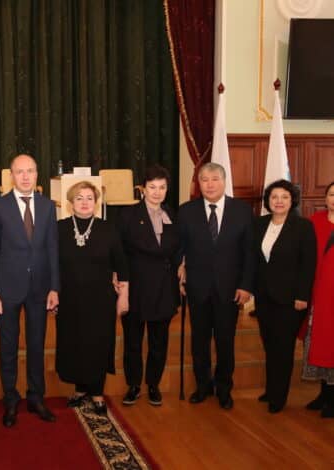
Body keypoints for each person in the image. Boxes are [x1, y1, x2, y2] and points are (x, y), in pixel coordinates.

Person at [0, 154, 60, 427]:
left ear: (37, 174)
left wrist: (54, 287)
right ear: (11, 176)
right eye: (20, 172)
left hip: (40, 289)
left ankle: (36, 398)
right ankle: (10, 400)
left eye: (30, 171)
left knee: (37, 345)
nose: (25, 176)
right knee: (8, 347)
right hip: (7, 291)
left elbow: (52, 249)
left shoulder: (48, 206)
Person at [178, 162, 255, 410]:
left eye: (214, 179)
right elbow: (179, 248)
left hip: (230, 290)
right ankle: (202, 386)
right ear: (198, 184)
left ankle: (224, 388)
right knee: (199, 341)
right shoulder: (186, 211)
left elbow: (249, 253)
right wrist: (180, 268)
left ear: (224, 181)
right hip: (197, 288)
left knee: (225, 341)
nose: (209, 185)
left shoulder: (242, 211)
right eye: (204, 180)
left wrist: (246, 286)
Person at [56, 181, 128, 415]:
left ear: (96, 203)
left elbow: (122, 265)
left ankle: (97, 392)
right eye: (79, 198)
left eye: (89, 198)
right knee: (74, 342)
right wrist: (52, 292)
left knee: (97, 343)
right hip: (69, 299)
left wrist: (124, 296)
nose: (85, 202)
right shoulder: (59, 228)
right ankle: (79, 389)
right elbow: (51, 264)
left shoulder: (108, 229)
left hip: (100, 300)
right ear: (71, 202)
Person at [118, 165, 180, 407]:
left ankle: (153, 384)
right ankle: (133, 385)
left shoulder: (173, 214)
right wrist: (121, 284)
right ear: (142, 189)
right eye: (152, 187)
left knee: (159, 342)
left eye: (162, 187)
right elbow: (120, 253)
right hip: (136, 286)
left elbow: (178, 249)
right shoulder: (127, 215)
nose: (157, 192)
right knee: (133, 341)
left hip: (164, 287)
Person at [253, 180, 316, 413]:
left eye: (284, 197)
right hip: (264, 298)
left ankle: (278, 397)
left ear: (292, 201)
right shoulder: (259, 224)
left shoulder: (303, 227)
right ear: (268, 201)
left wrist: (302, 296)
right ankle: (271, 390)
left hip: (290, 300)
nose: (279, 201)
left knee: (283, 348)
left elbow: (308, 265)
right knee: (270, 345)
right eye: (274, 197)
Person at [303, 181, 334, 417]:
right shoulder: (314, 222)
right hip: (317, 294)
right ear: (325, 198)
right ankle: (324, 394)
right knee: (318, 344)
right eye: (332, 194)